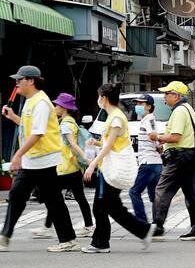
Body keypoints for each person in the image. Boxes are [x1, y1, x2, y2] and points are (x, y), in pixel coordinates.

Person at [0, 66, 79, 253]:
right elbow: (30, 126)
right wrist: (13, 118)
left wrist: (18, 155)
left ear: (31, 81)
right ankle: (5, 236)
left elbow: (38, 133)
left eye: (20, 79)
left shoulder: (41, 103)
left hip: (42, 160)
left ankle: (67, 240)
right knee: (24, 196)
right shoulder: (30, 101)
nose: (16, 82)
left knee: (43, 199)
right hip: (34, 160)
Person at [80, 83, 153, 253]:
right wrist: (96, 142)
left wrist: (92, 164)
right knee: (107, 206)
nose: (98, 100)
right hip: (109, 166)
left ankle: (102, 243)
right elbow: (109, 143)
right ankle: (139, 232)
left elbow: (110, 146)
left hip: (112, 167)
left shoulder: (116, 118)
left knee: (105, 206)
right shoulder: (114, 116)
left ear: (104, 98)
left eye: (99, 96)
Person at [148, 81, 195, 241]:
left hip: (179, 157)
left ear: (176, 95)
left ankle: (157, 226)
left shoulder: (179, 111)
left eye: (166, 94)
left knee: (162, 190)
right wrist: (164, 145)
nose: (164, 97)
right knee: (191, 193)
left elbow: (176, 136)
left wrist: (158, 137)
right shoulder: (187, 108)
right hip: (188, 156)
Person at [30, 93, 94, 239]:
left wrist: (87, 159)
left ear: (64, 108)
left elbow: (73, 144)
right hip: (72, 167)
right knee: (77, 198)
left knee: (53, 198)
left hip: (65, 168)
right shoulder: (70, 121)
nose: (55, 107)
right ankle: (89, 226)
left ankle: (47, 228)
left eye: (57, 105)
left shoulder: (66, 124)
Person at [127, 95, 162, 223]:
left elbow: (153, 136)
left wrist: (158, 140)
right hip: (155, 163)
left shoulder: (149, 119)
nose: (138, 106)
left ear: (149, 106)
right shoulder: (146, 119)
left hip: (148, 163)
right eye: (137, 103)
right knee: (153, 196)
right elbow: (156, 143)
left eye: (142, 104)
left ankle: (142, 223)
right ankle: (157, 225)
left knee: (134, 192)